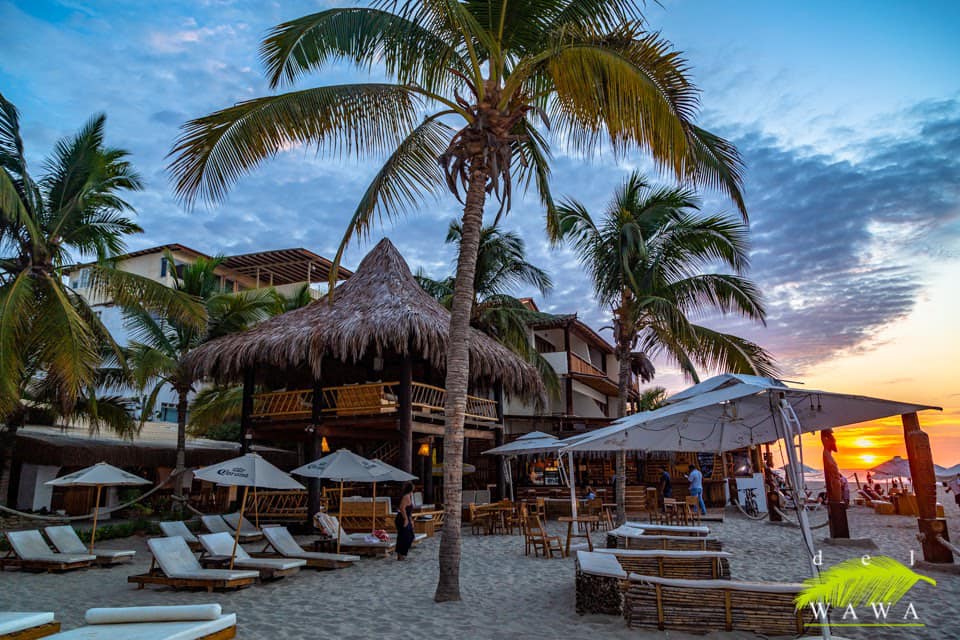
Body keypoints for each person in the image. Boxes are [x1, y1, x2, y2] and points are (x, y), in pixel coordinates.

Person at [394, 482, 415, 560]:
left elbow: (409, 511)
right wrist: (406, 519)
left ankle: (402, 553)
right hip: (401, 518)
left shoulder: (410, 496)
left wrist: (411, 520)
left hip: (407, 518)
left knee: (411, 536)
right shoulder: (406, 496)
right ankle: (400, 555)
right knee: (403, 537)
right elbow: (402, 508)